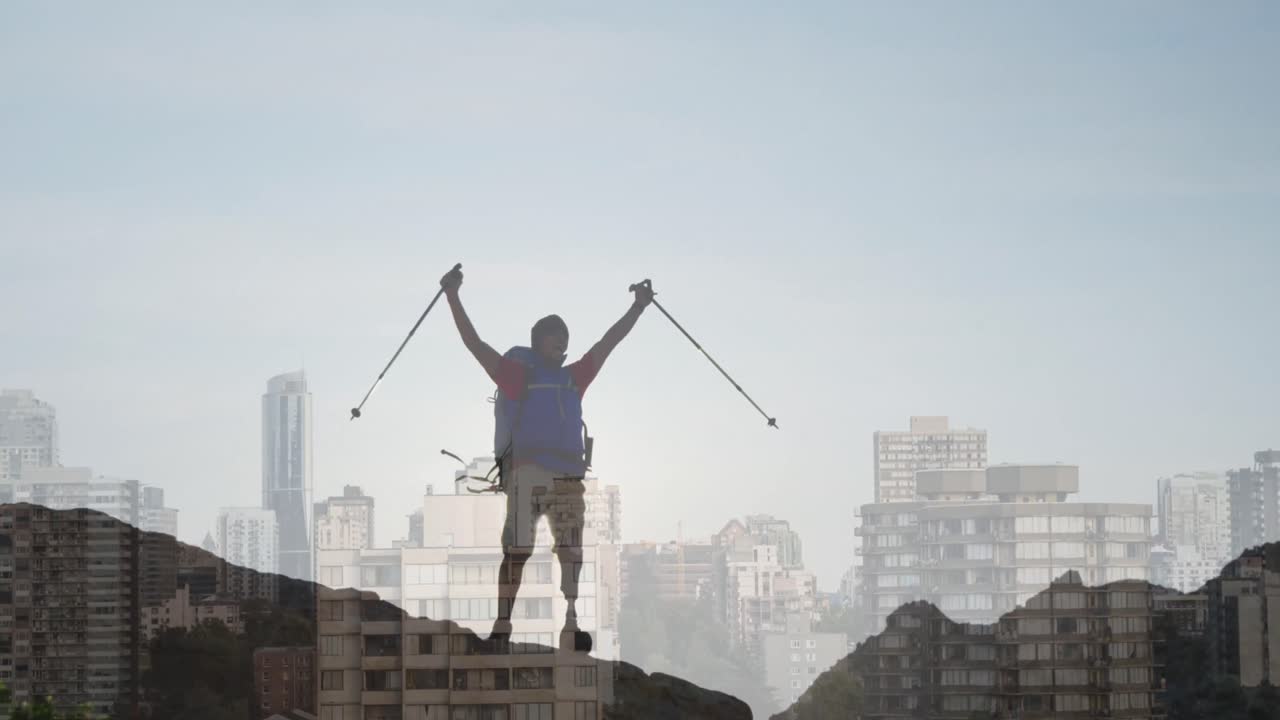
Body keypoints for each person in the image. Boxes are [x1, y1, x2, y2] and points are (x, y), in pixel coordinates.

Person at [439, 266, 653, 650]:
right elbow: (475, 344)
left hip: (568, 476)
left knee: (570, 550)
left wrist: (638, 308)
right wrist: (452, 296)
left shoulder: (575, 376)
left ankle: (571, 623)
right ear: (538, 343)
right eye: (556, 338)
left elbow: (609, 341)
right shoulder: (516, 376)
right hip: (527, 472)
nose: (563, 343)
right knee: (517, 550)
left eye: (565, 339)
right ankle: (502, 628)